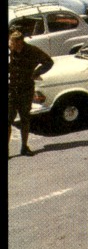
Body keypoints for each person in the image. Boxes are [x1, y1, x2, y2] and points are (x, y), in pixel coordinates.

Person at [9, 28, 53, 157]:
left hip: (26, 90)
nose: (10, 44)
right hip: (11, 90)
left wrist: (36, 73)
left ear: (20, 42)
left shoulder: (32, 51)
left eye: (12, 42)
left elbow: (48, 62)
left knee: (24, 119)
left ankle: (24, 147)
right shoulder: (10, 52)